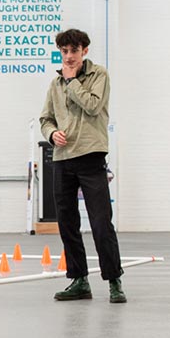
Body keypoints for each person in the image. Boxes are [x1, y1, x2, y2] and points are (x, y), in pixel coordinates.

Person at [39, 28, 126, 304]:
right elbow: (45, 119)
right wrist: (52, 134)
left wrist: (73, 80)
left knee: (101, 222)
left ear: (84, 51)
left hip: (91, 156)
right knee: (67, 224)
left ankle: (114, 281)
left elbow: (92, 105)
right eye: (64, 52)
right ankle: (79, 280)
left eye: (73, 51)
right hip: (63, 159)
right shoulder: (55, 84)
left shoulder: (98, 75)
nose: (68, 56)